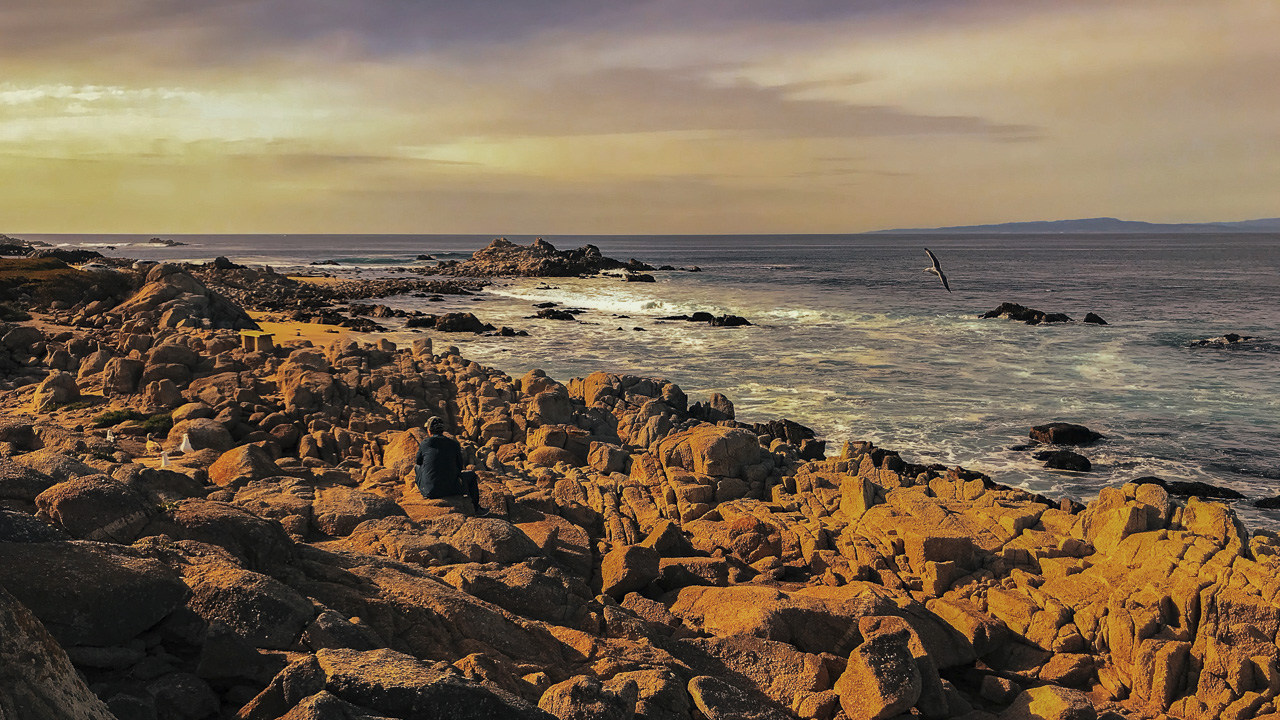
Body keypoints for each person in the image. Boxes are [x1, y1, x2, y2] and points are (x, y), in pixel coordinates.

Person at [415, 416, 488, 516]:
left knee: (417, 468)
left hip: (430, 491)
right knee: (471, 475)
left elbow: (418, 461)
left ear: (429, 430)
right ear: (442, 430)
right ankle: (476, 508)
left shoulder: (425, 443)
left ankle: (426, 487)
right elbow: (459, 466)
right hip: (453, 489)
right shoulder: (454, 444)